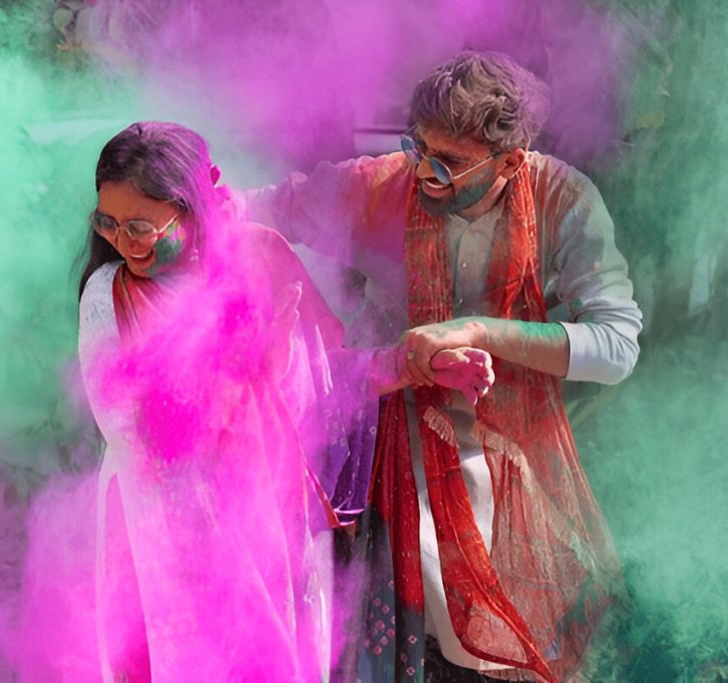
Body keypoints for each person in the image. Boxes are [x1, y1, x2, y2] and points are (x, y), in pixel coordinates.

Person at [30, 121, 495, 682]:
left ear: (195, 209)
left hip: (267, 521)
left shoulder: (261, 259)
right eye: (108, 222)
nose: (124, 242)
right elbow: (133, 431)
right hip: (163, 534)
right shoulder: (109, 295)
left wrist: (412, 365)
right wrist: (253, 367)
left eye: (142, 227)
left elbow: (326, 382)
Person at [241, 52, 642, 682]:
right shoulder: (382, 183)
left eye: (449, 161)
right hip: (390, 428)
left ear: (511, 161)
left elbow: (617, 347)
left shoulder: (561, 199)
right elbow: (261, 208)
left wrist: (482, 332)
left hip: (507, 436)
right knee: (401, 616)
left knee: (512, 623)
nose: (425, 171)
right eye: (418, 146)